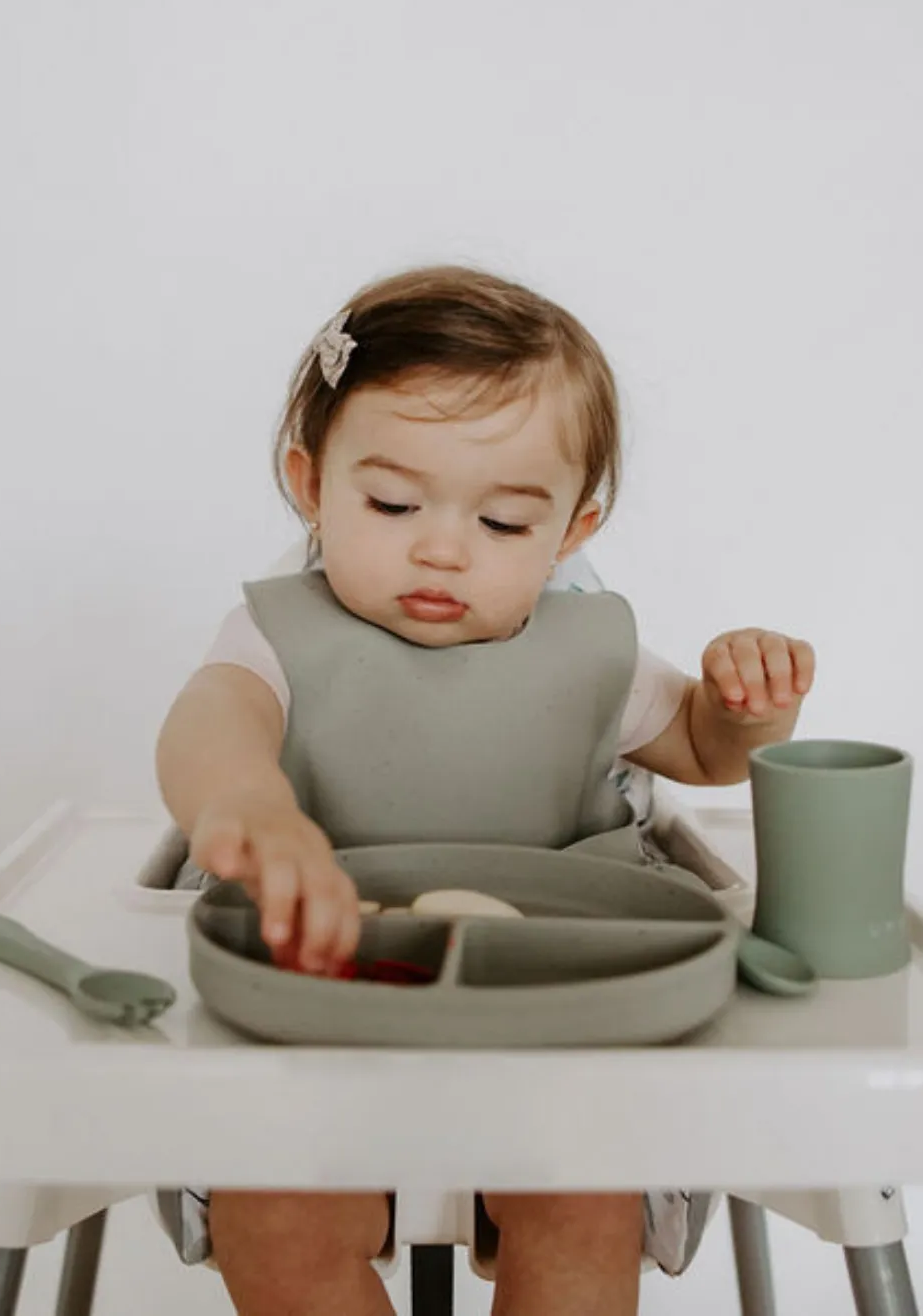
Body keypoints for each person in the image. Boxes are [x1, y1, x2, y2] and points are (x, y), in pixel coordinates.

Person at [155, 264, 815, 1316]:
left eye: (506, 524)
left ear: (572, 532)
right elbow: (214, 720)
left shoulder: (585, 650)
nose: (442, 547)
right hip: (322, 1006)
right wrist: (245, 803)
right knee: (273, 1212)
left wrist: (744, 707)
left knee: (585, 1204)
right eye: (391, 501)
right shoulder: (282, 636)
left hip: (563, 1008)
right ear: (308, 480)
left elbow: (699, 746)